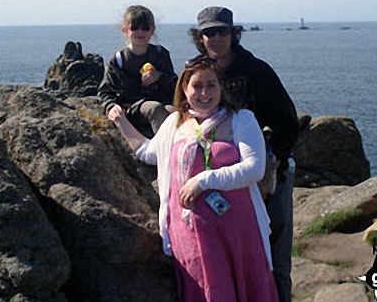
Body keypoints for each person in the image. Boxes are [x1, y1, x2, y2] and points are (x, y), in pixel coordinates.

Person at [108, 57, 279, 302]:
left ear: (221, 87)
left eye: (211, 85)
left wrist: (203, 180)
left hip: (237, 228)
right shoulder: (174, 124)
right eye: (196, 86)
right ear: (184, 89)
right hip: (190, 230)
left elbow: (254, 169)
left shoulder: (241, 119)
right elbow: (147, 152)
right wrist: (120, 120)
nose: (204, 93)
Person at [188, 6, 299, 302]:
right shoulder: (196, 72)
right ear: (200, 37)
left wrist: (272, 158)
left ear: (233, 34)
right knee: (230, 259)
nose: (215, 37)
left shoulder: (258, 72)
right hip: (219, 182)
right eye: (208, 32)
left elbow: (287, 121)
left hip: (269, 175)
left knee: (274, 256)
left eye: (222, 31)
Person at [98, 5, 177, 138]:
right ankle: (164, 153)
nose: (140, 32)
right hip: (134, 108)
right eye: (134, 28)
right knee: (154, 108)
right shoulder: (119, 59)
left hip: (162, 103)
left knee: (173, 112)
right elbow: (105, 91)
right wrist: (110, 106)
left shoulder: (160, 54)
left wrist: (159, 76)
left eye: (145, 28)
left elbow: (175, 85)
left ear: (152, 30)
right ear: (125, 30)